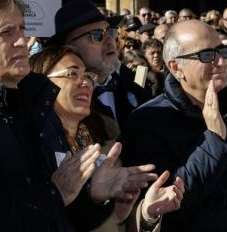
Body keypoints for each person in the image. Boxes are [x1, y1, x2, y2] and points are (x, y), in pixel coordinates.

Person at [0, 0, 147, 231]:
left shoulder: (36, 107)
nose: (22, 40)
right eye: (6, 32)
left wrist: (93, 197)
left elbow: (63, 212)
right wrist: (54, 195)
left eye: (22, 28)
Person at [121, 20, 227, 231]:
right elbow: (166, 208)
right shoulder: (148, 121)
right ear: (176, 67)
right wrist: (214, 140)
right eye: (207, 55)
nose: (221, 62)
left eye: (222, 51)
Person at [30, 46, 185, 231]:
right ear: (40, 82)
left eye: (88, 76)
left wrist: (146, 213)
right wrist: (91, 200)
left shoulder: (105, 136)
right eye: (72, 73)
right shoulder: (30, 146)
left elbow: (117, 223)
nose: (86, 82)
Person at [50, 0, 147, 130]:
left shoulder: (134, 87)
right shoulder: (58, 101)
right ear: (70, 46)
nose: (110, 41)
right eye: (97, 35)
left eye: (111, 31)